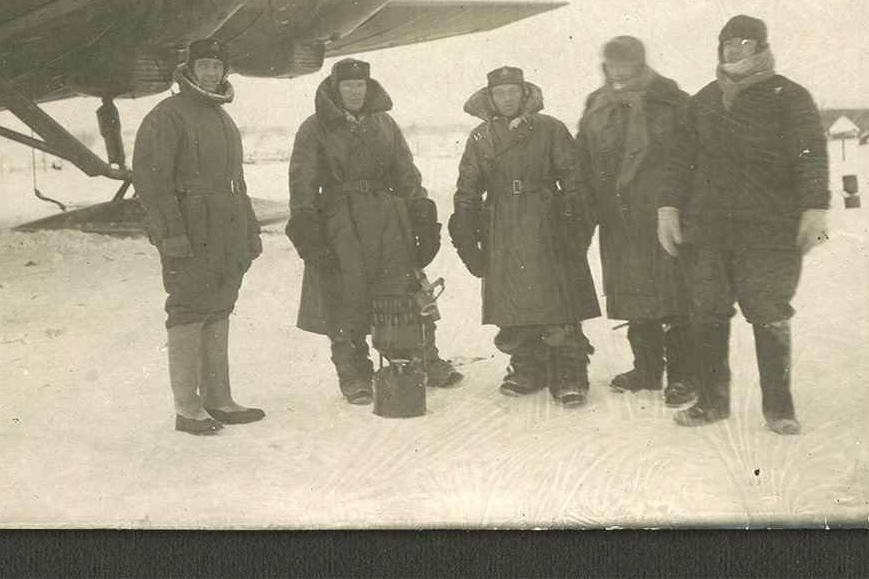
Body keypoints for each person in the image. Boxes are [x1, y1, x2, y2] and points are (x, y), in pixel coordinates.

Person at [657, 15, 829, 434]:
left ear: (762, 47)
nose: (735, 51)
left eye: (745, 43)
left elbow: (810, 154)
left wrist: (815, 208)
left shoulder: (788, 95)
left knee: (769, 312)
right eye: (728, 44)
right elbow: (680, 159)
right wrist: (668, 207)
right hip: (706, 230)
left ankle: (779, 409)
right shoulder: (703, 100)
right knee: (707, 313)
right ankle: (711, 403)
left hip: (769, 230)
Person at [286, 58, 461, 405]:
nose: (355, 91)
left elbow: (407, 173)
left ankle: (419, 361)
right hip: (340, 220)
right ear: (336, 90)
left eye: (360, 85)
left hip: (388, 218)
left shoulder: (386, 124)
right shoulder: (313, 128)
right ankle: (353, 373)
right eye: (348, 86)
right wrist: (308, 229)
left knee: (404, 291)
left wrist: (421, 213)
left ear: (369, 87)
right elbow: (302, 184)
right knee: (344, 293)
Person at [133, 39, 265, 435]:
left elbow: (237, 183)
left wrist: (250, 228)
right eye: (204, 65)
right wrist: (170, 233)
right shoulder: (167, 115)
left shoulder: (224, 119)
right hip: (192, 229)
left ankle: (219, 399)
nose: (211, 73)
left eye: (217, 66)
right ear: (189, 69)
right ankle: (187, 407)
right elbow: (152, 183)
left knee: (221, 305)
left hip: (227, 229)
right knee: (190, 307)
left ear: (225, 72)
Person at [449, 66, 601, 407]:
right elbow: (467, 188)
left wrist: (574, 225)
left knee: (557, 299)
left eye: (513, 91)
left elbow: (574, 178)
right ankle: (526, 367)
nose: (507, 98)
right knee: (512, 300)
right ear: (490, 98)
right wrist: (466, 232)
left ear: (524, 93)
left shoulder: (550, 128)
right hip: (500, 222)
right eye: (500, 93)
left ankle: (569, 373)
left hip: (546, 220)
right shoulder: (479, 137)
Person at [576, 37, 696, 407]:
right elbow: (583, 156)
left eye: (626, 65)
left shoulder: (672, 101)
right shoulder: (597, 106)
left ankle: (683, 377)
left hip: (660, 210)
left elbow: (691, 155)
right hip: (617, 214)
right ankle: (646, 369)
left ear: (640, 65)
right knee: (633, 293)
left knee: (674, 295)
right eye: (613, 65)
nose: (619, 72)